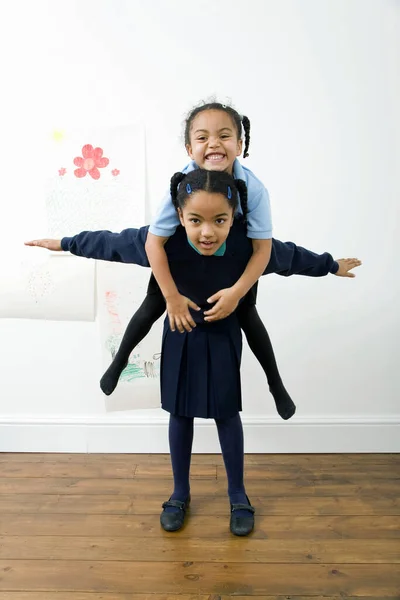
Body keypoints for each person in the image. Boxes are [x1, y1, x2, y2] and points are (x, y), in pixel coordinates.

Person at [26, 169, 361, 536]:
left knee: (226, 415)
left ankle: (238, 495)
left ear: (234, 217)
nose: (207, 232)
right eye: (195, 221)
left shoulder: (245, 246)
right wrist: (66, 242)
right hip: (181, 332)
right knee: (180, 414)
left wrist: (330, 265)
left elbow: (289, 257)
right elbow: (112, 243)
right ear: (180, 216)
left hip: (223, 336)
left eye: (219, 220)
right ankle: (179, 493)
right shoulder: (164, 242)